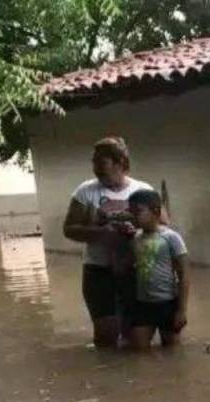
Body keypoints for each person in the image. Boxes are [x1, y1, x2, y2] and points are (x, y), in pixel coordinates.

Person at [62, 137, 153, 348]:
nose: (95, 169)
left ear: (120, 162)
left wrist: (137, 231)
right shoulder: (85, 191)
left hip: (135, 271)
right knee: (105, 338)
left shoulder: (143, 191)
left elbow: (163, 227)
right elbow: (69, 229)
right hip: (98, 271)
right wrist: (102, 233)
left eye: (101, 163)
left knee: (137, 340)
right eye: (93, 163)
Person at [123, 189, 189, 351]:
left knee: (172, 350)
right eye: (131, 212)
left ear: (156, 211)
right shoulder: (134, 238)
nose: (133, 216)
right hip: (142, 304)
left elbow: (184, 275)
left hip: (167, 302)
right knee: (138, 350)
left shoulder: (171, 237)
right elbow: (129, 268)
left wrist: (181, 310)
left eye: (137, 212)